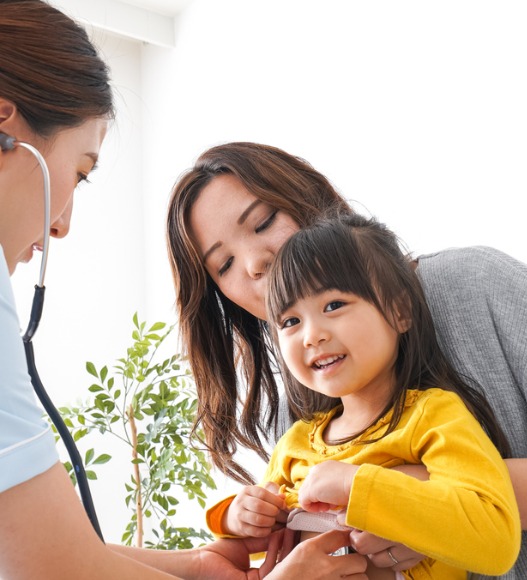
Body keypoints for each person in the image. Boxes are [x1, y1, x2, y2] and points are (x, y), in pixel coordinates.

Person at [0, 3, 368, 579]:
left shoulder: (463, 290)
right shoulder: (294, 406)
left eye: (266, 220)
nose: (61, 224)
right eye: (79, 172)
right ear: (6, 134)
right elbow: (48, 564)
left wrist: (196, 568)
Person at [167, 141, 527, 579]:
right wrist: (242, 525)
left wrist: (407, 498)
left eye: (264, 222)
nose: (254, 264)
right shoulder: (297, 414)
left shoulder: (474, 287)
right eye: (225, 264)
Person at [204, 213, 520, 579]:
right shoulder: (296, 442)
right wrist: (236, 515)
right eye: (291, 322)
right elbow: (258, 527)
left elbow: (496, 539)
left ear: (399, 311)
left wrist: (355, 484)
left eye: (334, 305)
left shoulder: (434, 417)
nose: (311, 335)